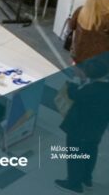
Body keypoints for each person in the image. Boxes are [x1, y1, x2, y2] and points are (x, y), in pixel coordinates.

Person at [54, 56, 109, 194]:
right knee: (90, 151)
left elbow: (73, 93)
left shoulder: (91, 90)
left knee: (76, 154)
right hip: (97, 129)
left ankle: (74, 184)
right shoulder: (103, 86)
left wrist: (75, 80)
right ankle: (86, 178)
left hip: (80, 128)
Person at [66, 0, 109, 65]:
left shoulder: (80, 11)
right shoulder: (106, 19)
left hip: (78, 57)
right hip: (100, 62)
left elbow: (71, 26)